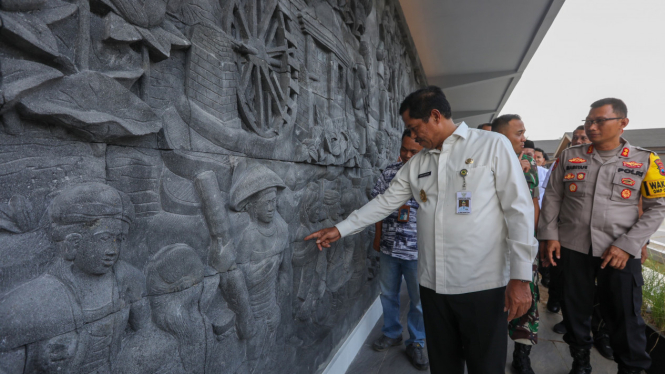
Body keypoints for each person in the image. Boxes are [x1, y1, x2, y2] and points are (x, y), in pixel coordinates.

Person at [305, 86, 537, 374]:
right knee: (443, 365)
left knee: (486, 366)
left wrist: (521, 277)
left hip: (482, 285)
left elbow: (519, 211)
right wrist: (340, 229)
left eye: (415, 128)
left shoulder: (491, 145)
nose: (413, 137)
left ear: (435, 116)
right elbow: (385, 202)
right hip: (433, 287)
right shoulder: (419, 163)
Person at [539, 98, 665, 374]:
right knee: (574, 311)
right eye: (588, 121)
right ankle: (580, 362)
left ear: (622, 123)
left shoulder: (646, 160)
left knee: (625, 316)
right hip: (573, 247)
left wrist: (629, 245)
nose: (591, 126)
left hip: (619, 252)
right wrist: (550, 235)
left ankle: (631, 368)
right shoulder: (570, 156)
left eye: (599, 121)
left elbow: (658, 208)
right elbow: (552, 197)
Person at [369, 129, 427, 370]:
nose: (406, 154)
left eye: (413, 151)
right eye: (404, 149)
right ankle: (391, 332)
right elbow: (377, 206)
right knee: (388, 293)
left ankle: (417, 341)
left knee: (418, 301)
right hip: (390, 247)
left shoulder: (431, 173)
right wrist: (378, 235)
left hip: (419, 251)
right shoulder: (390, 171)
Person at [492, 115, 540, 374]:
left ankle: (522, 355)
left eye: (524, 133)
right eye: (518, 134)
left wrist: (530, 242)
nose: (524, 139)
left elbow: (533, 203)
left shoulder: (528, 162)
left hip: (520, 243)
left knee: (526, 302)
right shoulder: (482, 160)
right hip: (489, 247)